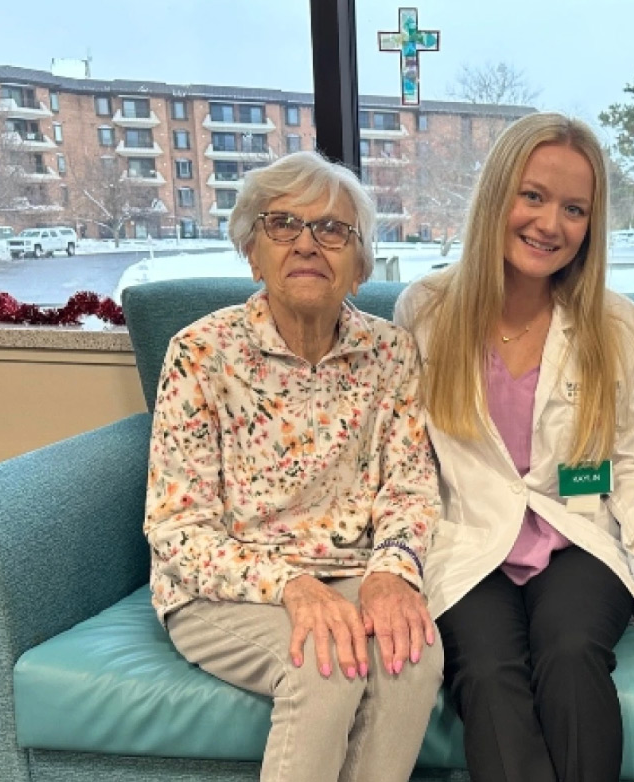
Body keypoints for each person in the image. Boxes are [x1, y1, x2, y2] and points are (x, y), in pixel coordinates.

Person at [394, 112, 634, 782]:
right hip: (469, 535)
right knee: (487, 669)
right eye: (533, 196)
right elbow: (407, 456)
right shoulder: (426, 310)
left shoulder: (619, 324)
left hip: (575, 529)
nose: (550, 224)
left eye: (574, 209)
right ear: (497, 194)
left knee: (571, 650)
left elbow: (626, 462)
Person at [144, 151, 443, 782]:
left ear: (360, 267)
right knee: (324, 666)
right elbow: (178, 529)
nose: (307, 243)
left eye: (333, 230)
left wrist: (391, 574)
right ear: (254, 254)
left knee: (413, 657)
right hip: (226, 589)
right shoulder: (200, 354)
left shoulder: (392, 353)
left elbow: (410, 489)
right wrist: (292, 587)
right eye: (283, 224)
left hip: (352, 573)